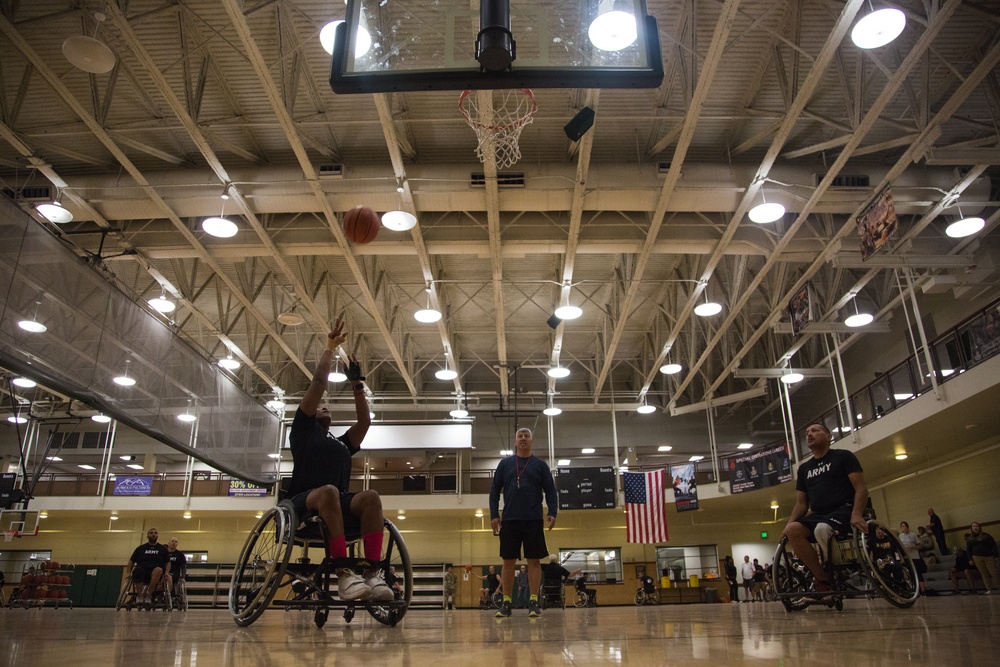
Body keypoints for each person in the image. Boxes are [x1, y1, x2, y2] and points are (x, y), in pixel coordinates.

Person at [286, 319, 391, 602]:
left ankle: (372, 573)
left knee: (370, 497)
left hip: (336, 502)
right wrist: (330, 348)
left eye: (328, 406)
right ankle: (344, 574)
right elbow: (319, 383)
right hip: (303, 501)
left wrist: (357, 383)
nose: (324, 406)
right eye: (320, 405)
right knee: (330, 491)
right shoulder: (303, 431)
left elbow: (365, 422)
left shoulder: (339, 443)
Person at [782, 421, 869, 595]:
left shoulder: (843, 456)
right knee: (793, 530)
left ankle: (836, 568)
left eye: (815, 430)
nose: (809, 434)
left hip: (844, 509)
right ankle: (823, 579)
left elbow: (861, 488)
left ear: (829, 437)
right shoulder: (805, 468)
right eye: (807, 432)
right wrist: (788, 524)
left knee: (822, 529)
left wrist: (857, 513)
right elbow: (801, 503)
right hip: (819, 514)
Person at [489, 427, 558, 618]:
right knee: (508, 561)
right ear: (515, 441)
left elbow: (551, 491)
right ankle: (507, 603)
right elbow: (494, 491)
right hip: (510, 519)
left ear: (531, 441)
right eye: (520, 436)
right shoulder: (505, 464)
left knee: (534, 561)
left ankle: (533, 602)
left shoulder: (540, 465)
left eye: (527, 436)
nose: (523, 439)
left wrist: (552, 512)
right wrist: (494, 514)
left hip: (533, 519)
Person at [127, 527, 170, 605]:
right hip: (142, 571)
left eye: (155, 533)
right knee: (138, 569)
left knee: (159, 570)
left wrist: (167, 572)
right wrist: (128, 572)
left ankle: (149, 594)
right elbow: (131, 561)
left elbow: (168, 563)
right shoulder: (140, 548)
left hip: (155, 573)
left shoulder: (163, 549)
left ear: (157, 536)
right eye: (151, 533)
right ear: (147, 536)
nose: (153, 534)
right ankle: (140, 595)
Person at [966, 521, 998, 593]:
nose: (975, 528)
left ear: (979, 527)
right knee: (984, 573)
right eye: (973, 526)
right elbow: (968, 549)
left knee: (994, 572)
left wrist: (996, 556)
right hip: (977, 557)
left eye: (976, 526)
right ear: (971, 528)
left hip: (988, 556)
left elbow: (993, 545)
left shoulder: (986, 536)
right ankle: (989, 589)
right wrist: (970, 559)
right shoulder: (969, 538)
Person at [897, 521, 927, 596]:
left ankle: (923, 590)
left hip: (915, 556)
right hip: (907, 557)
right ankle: (915, 590)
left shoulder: (913, 535)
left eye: (905, 526)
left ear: (908, 527)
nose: (904, 528)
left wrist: (912, 547)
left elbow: (920, 546)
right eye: (902, 526)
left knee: (918, 573)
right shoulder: (900, 536)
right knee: (910, 574)